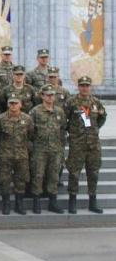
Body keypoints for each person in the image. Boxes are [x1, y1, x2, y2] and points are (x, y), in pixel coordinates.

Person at [65, 76, 107, 214]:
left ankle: (92, 202)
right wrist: (73, 132)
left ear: (90, 87)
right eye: (82, 85)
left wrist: (93, 131)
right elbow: (65, 119)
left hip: (93, 145)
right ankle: (72, 202)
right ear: (78, 87)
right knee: (74, 173)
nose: (84, 88)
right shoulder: (71, 102)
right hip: (77, 144)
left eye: (87, 85)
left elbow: (102, 117)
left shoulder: (96, 102)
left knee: (93, 173)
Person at [0, 93, 34, 215]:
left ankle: (19, 204)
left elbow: (31, 135)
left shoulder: (27, 119)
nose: (13, 105)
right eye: (11, 103)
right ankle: (6, 204)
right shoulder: (0, 119)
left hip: (22, 154)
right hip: (6, 154)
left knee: (20, 180)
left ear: (20, 104)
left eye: (16, 103)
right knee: (5, 180)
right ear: (7, 104)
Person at [29, 84, 67, 214]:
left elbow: (62, 131)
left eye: (52, 95)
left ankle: (53, 202)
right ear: (42, 96)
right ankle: (36, 202)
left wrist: (62, 149)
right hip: (40, 149)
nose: (50, 97)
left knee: (53, 176)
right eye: (48, 95)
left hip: (55, 149)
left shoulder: (59, 111)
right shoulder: (35, 111)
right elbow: (30, 131)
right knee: (38, 175)